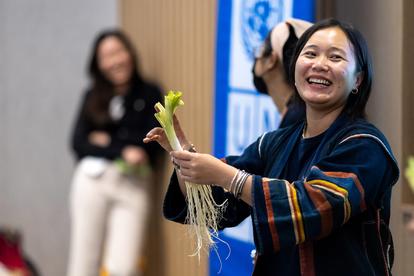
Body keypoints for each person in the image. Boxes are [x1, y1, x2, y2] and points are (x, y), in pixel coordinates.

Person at [145, 18, 400, 275]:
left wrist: (229, 176)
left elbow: (316, 207)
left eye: (335, 58)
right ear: (295, 68)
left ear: (358, 80)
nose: (319, 64)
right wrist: (183, 154)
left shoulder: (365, 145)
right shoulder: (274, 143)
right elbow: (217, 207)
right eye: (310, 54)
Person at [68, 29, 163, 276]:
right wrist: (122, 149)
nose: (115, 60)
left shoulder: (150, 93)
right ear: (98, 64)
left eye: (119, 51)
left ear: (130, 53)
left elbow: (152, 145)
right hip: (92, 181)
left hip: (134, 183)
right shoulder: (92, 96)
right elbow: (78, 143)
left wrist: (103, 141)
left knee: (124, 267)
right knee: (83, 263)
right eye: (107, 56)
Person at [252, 18, 311, 128]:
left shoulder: (296, 119)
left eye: (260, 50)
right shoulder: (303, 113)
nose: (256, 58)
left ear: (271, 60)